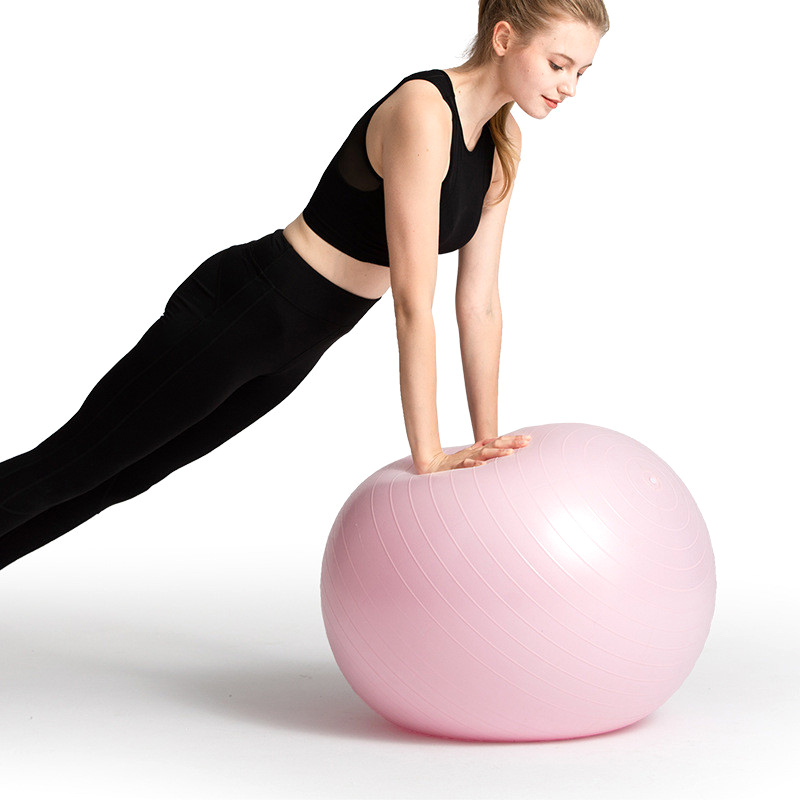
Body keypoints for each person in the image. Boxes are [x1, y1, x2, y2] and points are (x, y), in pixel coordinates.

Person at [0, 0, 609, 571]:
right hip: (245, 312)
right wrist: (429, 455)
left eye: (582, 72)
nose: (570, 88)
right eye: (559, 65)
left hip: (298, 343)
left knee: (118, 479)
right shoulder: (425, 109)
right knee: (70, 467)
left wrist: (486, 448)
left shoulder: (503, 145)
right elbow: (411, 303)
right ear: (503, 38)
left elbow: (479, 305)